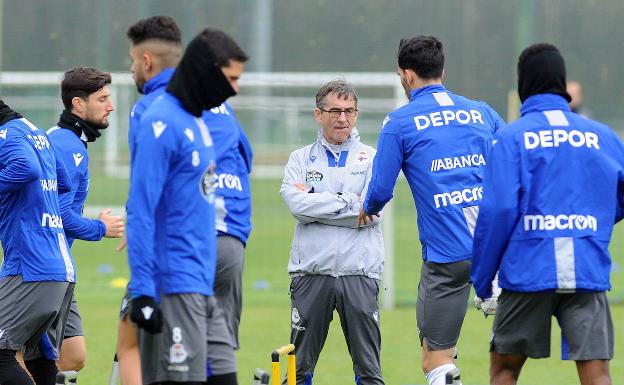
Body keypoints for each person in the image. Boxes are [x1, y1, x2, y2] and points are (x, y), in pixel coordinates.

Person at [471, 43, 624, 385]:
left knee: (504, 370)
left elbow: (498, 210)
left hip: (528, 271)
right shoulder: (602, 136)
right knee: (598, 374)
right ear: (561, 81)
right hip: (586, 268)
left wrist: (483, 279)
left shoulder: (510, 138)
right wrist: (592, 224)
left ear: (523, 83)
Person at [358, 35, 505, 385]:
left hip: (448, 257)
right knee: (506, 359)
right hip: (496, 245)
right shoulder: (482, 111)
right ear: (442, 69)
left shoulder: (400, 121)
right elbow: (511, 164)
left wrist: (368, 207)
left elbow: (380, 189)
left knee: (435, 358)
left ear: (407, 75)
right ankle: (494, 289)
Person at [126, 27, 243, 385]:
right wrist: (144, 289)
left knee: (225, 377)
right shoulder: (161, 121)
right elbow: (141, 209)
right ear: (203, 70)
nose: (234, 89)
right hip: (173, 283)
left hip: (201, 281)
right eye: (230, 78)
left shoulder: (197, 120)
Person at [280, 79, 385, 385]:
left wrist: (317, 204)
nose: (343, 119)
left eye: (349, 111)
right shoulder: (300, 158)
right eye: (335, 111)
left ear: (357, 113)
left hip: (360, 272)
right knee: (297, 370)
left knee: (369, 370)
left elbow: (373, 212)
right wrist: (350, 205)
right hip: (311, 273)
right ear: (318, 114)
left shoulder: (373, 157)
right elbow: (298, 207)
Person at [40, 66, 125, 377]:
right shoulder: (66, 146)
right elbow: (57, 216)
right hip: (41, 269)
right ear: (78, 104)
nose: (111, 106)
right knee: (26, 357)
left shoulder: (68, 140)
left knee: (72, 355)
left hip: (60, 267)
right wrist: (101, 228)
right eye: (103, 98)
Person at [117, 15, 182, 385]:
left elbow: (143, 201)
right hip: (207, 260)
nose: (130, 69)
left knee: (133, 348)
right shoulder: (204, 107)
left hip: (163, 263)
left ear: (147, 61)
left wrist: (143, 283)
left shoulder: (148, 111)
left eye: (131, 60)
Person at [0, 99, 75, 385]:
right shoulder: (37, 133)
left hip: (30, 266)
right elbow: (63, 182)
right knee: (39, 357)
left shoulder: (6, 134)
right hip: (59, 268)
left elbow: (26, 168)